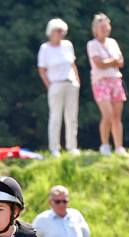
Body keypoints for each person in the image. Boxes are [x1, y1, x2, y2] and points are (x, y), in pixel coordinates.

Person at [37, 18, 81, 157]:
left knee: (72, 117)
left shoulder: (68, 45)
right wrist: (50, 86)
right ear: (51, 32)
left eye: (64, 31)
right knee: (55, 117)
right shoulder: (45, 48)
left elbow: (72, 64)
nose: (62, 33)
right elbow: (42, 70)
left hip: (71, 83)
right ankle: (54, 148)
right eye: (59, 30)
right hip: (55, 84)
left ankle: (72, 146)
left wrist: (77, 81)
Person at [87, 13, 128, 156]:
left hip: (115, 80)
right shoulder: (92, 44)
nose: (105, 29)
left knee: (117, 115)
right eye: (101, 27)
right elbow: (99, 64)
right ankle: (105, 145)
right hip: (100, 82)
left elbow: (121, 62)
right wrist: (113, 60)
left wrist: (111, 61)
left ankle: (119, 146)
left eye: (106, 26)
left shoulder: (113, 42)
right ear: (95, 29)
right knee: (108, 115)